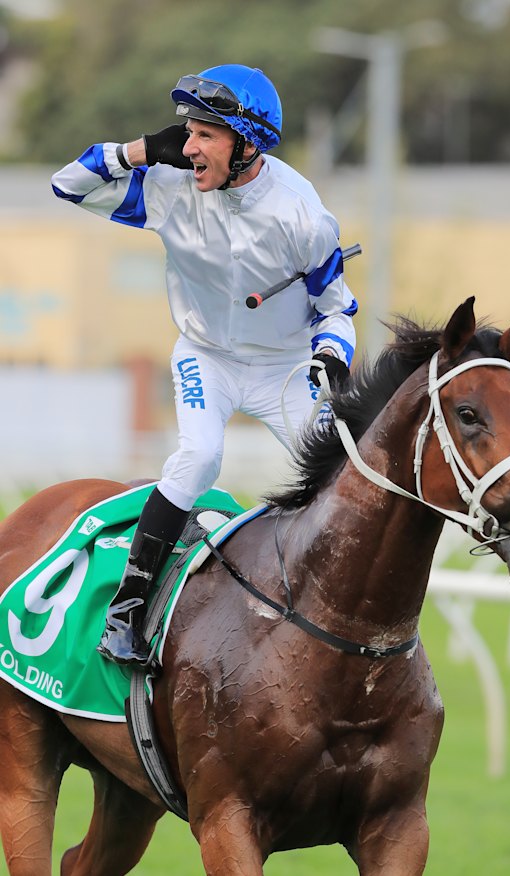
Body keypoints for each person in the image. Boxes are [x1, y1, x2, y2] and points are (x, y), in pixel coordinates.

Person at [52, 64, 358, 669]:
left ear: (247, 145)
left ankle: (335, 621)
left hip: (284, 369)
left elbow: (337, 310)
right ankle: (126, 611)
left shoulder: (304, 218)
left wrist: (331, 354)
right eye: (186, 132)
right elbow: (68, 185)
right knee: (198, 458)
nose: (187, 147)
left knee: (339, 479)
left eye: (204, 135)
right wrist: (139, 151)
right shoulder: (169, 188)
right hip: (206, 356)